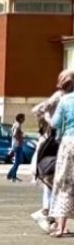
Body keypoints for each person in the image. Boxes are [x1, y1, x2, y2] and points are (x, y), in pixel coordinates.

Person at [48, 91, 74, 237]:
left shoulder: (65, 100)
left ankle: (61, 227)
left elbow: (55, 123)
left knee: (65, 182)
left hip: (69, 142)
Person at [7, 113, 27, 181]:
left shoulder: (16, 124)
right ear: (20, 118)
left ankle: (12, 175)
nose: (24, 119)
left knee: (17, 161)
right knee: (18, 161)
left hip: (15, 145)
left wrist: (22, 134)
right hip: (17, 145)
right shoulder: (17, 125)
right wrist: (20, 141)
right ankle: (12, 175)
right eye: (23, 118)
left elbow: (17, 133)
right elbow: (15, 134)